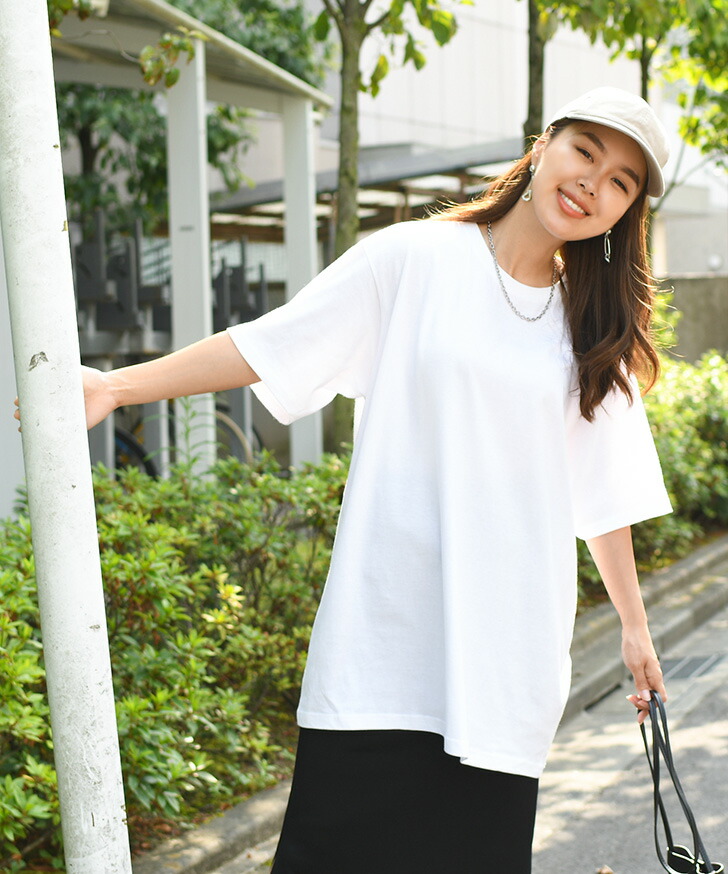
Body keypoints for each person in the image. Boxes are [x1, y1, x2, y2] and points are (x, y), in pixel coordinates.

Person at [31, 86, 673, 872]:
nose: (592, 184)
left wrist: (635, 629)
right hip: (381, 645)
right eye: (584, 153)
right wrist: (117, 386)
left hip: (506, 664)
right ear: (542, 145)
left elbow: (601, 493)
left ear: (625, 213)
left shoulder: (592, 329)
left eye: (620, 182)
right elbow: (270, 344)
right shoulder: (411, 259)